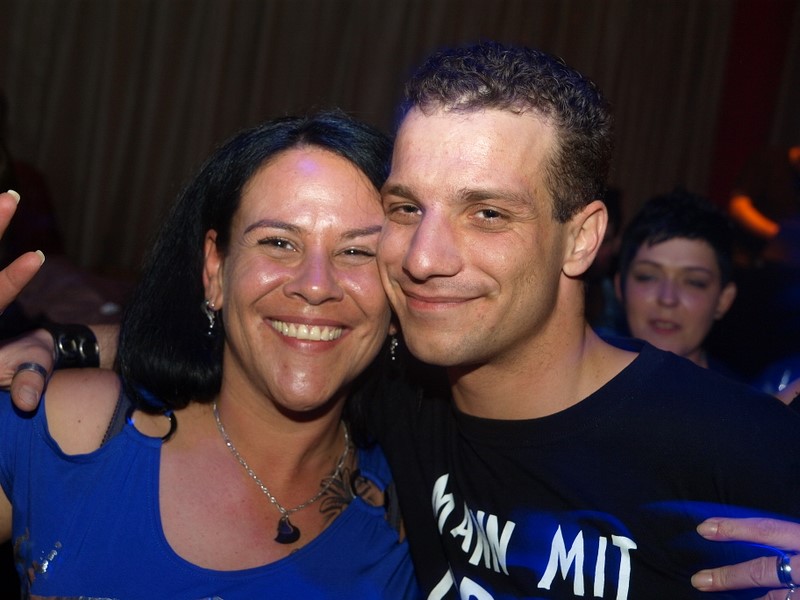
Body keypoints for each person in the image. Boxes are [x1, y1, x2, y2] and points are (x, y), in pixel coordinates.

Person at [5, 42, 800, 598]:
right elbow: (268, 326)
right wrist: (58, 338)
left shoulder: (729, 440)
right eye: (407, 209)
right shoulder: (405, 403)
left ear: (583, 238)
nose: (423, 258)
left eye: (488, 213)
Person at [0, 112, 419, 597]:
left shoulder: (412, 514)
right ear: (215, 270)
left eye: (357, 252)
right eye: (278, 242)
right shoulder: (73, 426)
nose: (316, 286)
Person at [613, 188, 738, 374]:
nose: (667, 298)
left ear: (723, 300)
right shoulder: (577, 384)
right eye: (647, 277)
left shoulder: (740, 393)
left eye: (694, 282)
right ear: (619, 287)